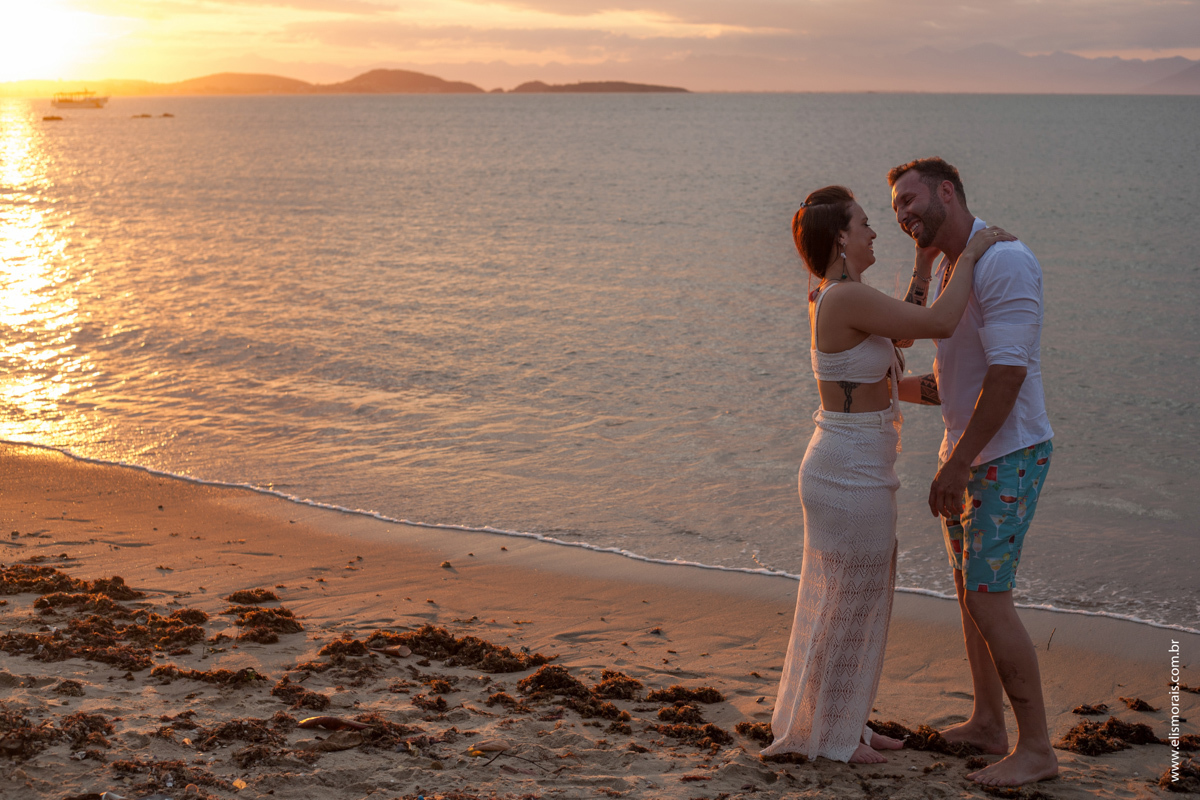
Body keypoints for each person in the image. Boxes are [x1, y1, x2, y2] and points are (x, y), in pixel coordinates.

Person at [762, 185, 1012, 765]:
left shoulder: (842, 294)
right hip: (848, 473)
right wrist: (970, 254)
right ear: (842, 238)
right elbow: (940, 324)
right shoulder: (843, 297)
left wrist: (926, 266)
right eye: (866, 224)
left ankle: (841, 722)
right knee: (847, 602)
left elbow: (899, 335)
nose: (877, 232)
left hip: (855, 467)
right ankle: (832, 738)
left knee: (852, 601)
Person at [889, 157, 1058, 787]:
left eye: (911, 201)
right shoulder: (950, 271)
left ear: (947, 192)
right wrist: (871, 388)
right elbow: (951, 382)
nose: (903, 214)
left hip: (1004, 456)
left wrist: (960, 463)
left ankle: (1036, 748)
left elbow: (1008, 376)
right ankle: (989, 723)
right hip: (966, 453)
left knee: (989, 598)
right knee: (970, 596)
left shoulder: (1004, 262)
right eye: (896, 208)